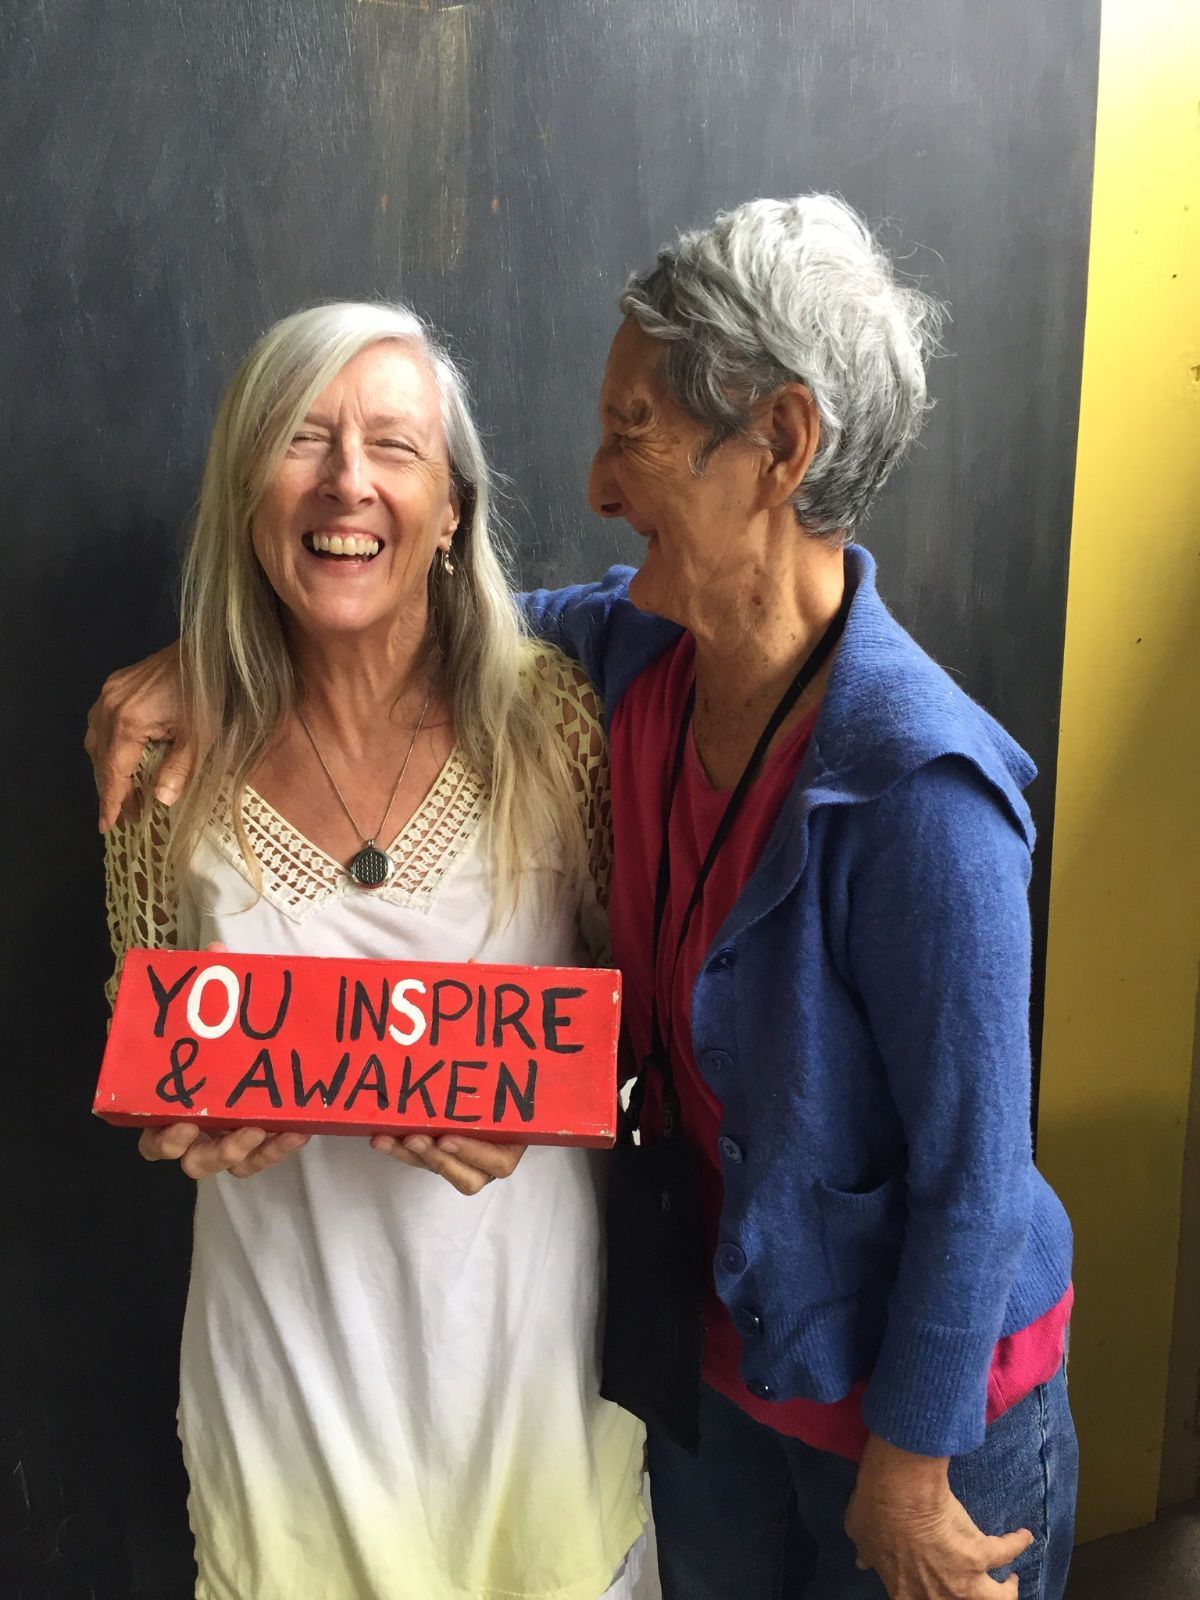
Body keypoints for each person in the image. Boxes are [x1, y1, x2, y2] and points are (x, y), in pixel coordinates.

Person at [89, 195, 1078, 1600]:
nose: (601, 481)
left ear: (781, 447)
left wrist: (912, 1473)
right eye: (303, 442)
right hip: (712, 1370)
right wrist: (220, 651)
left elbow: (977, 1173)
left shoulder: (921, 788)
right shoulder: (637, 671)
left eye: (633, 431)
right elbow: (459, 613)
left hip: (908, 1403)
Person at [96, 301, 648, 1600]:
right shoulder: (165, 765)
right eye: (304, 438)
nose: (348, 477)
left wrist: (567, 1108)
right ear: (249, 493)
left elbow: (660, 1040)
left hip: (536, 1416)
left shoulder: (556, 723)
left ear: (451, 506)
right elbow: (149, 1034)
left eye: (393, 445)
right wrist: (182, 1125)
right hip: (284, 1415)